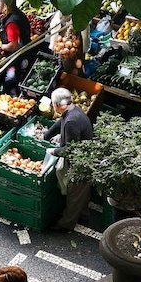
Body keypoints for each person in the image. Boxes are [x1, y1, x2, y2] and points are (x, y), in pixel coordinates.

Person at [43, 88, 94, 232]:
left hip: (81, 162)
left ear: (58, 104)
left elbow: (71, 149)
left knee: (75, 193)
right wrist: (47, 135)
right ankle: (83, 215)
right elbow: (61, 123)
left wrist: (53, 151)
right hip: (83, 158)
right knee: (81, 192)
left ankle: (66, 224)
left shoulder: (72, 120)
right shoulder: (72, 110)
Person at [0, 0, 32, 91]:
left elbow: (13, 46)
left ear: (5, 5)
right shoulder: (18, 14)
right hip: (27, 50)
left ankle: (11, 92)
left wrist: (2, 47)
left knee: (12, 80)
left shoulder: (12, 23)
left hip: (19, 58)